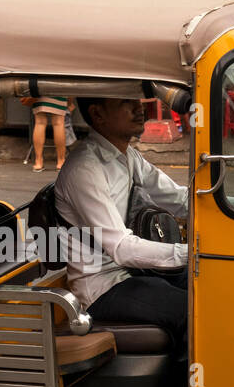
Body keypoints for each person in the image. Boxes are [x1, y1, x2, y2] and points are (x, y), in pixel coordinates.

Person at [55, 96, 189, 348]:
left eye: (137, 101)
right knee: (195, 312)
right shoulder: (84, 169)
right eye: (126, 102)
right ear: (98, 114)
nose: (140, 108)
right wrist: (191, 253)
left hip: (135, 273)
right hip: (103, 287)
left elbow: (180, 199)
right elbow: (122, 248)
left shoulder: (127, 157)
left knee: (212, 286)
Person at [28, 94, 72, 171]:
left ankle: (38, 162)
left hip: (40, 87)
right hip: (58, 87)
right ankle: (61, 162)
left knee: (39, 122)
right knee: (58, 122)